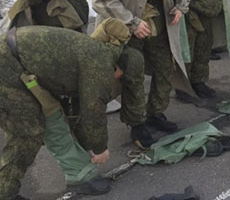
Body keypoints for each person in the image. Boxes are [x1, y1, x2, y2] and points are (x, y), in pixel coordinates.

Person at [0, 20, 146, 200]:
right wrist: (100, 149)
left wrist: (88, 146)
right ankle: (5, 192)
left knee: (52, 116)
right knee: (27, 132)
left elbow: (75, 109)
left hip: (19, 65)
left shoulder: (96, 52)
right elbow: (93, 109)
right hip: (7, 67)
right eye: (121, 78)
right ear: (120, 68)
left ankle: (78, 175)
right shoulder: (99, 62)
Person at [93, 0, 192, 132]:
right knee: (132, 75)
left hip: (158, 25)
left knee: (166, 68)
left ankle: (156, 113)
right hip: (126, 28)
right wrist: (132, 22)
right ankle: (136, 124)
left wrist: (181, 5)